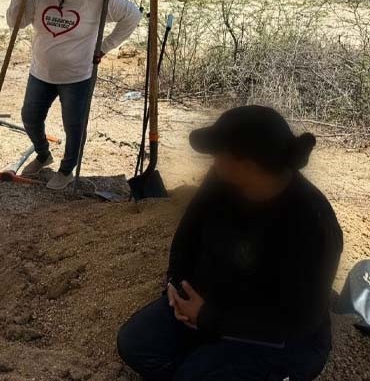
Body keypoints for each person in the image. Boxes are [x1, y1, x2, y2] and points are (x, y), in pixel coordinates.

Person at [117, 106, 343, 381]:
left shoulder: (313, 222)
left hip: (276, 336)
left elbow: (298, 319)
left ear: (247, 165)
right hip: (213, 304)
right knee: (135, 343)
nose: (212, 162)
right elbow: (187, 235)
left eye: (218, 154)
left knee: (195, 374)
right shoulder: (222, 181)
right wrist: (176, 284)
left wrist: (208, 318)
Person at [8, 0, 141, 190]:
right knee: (30, 117)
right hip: (41, 71)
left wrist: (105, 47)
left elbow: (132, 15)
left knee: (74, 125)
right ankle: (43, 154)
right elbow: (14, 22)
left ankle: (67, 169)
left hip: (78, 76)